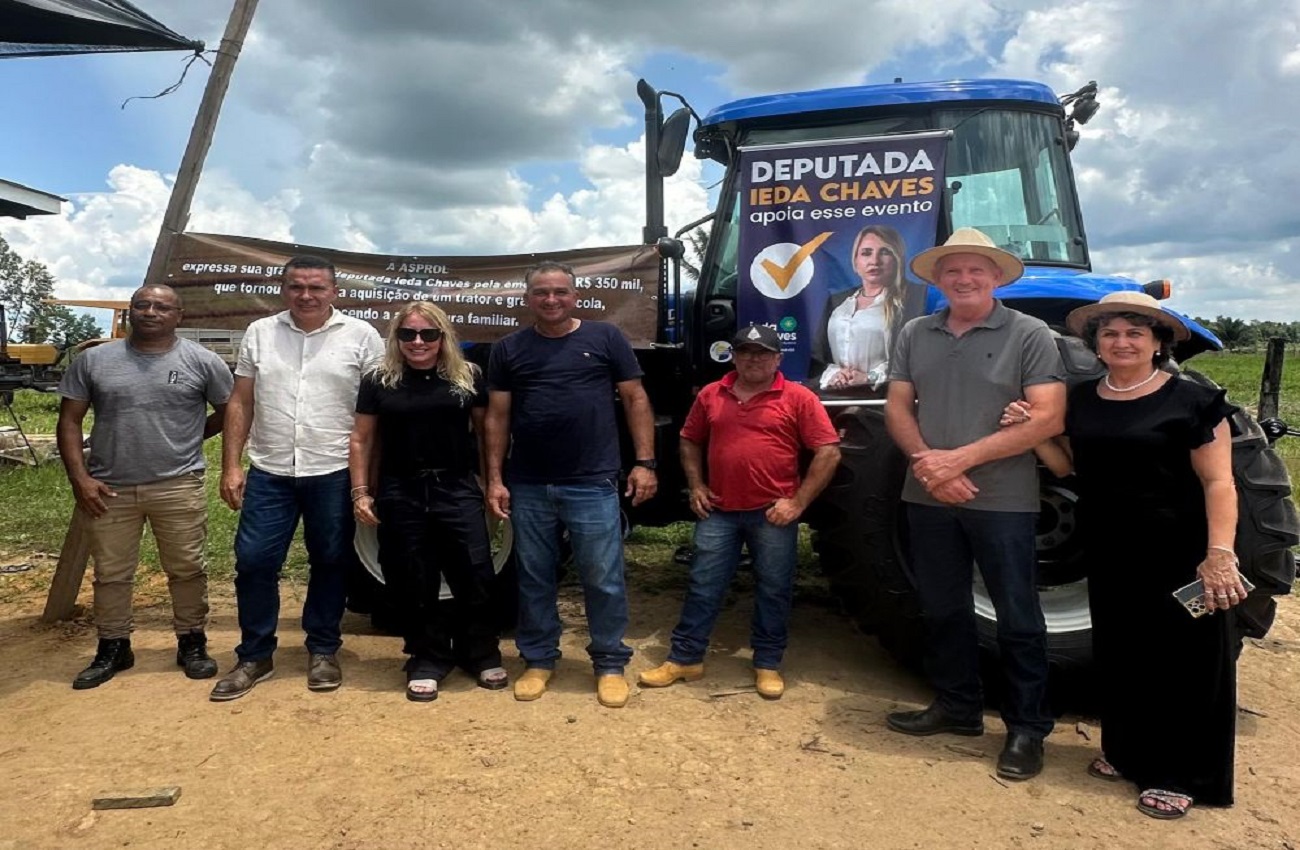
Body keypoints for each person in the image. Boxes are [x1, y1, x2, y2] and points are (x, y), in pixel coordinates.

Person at [1002, 291, 1242, 819]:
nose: (1122, 342)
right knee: (1124, 651)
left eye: (1135, 332)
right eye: (1110, 333)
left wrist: (1220, 554)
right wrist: (1029, 431)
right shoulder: (1083, 398)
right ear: (1096, 345)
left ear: (1158, 343)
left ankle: (1181, 773)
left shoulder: (1193, 402)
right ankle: (1127, 750)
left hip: (1180, 552)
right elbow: (1068, 468)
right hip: (1111, 547)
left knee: (1183, 662)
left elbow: (1219, 482)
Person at [882, 228, 1065, 781]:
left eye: (975, 270)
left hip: (1003, 500)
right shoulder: (915, 332)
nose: (964, 279)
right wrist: (929, 466)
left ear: (996, 277)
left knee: (1018, 615)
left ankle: (1026, 728)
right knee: (942, 607)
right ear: (938, 279)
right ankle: (957, 705)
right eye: (953, 271)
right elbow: (897, 407)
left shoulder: (1029, 333)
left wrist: (955, 462)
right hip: (928, 494)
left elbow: (1048, 418)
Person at [484, 260, 658, 708]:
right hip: (529, 483)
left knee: (603, 578)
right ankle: (539, 659)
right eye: (541, 292)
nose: (551, 299)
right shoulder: (508, 349)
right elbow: (497, 417)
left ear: (575, 296)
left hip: (593, 481)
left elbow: (635, 398)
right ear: (528, 299)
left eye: (560, 291)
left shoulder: (606, 338)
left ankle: (610, 663)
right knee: (534, 578)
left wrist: (645, 463)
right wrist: (496, 478)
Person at [210, 255, 384, 701]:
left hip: (333, 469)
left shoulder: (362, 336)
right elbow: (241, 401)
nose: (306, 295)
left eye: (316, 287)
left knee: (330, 561)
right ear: (283, 289)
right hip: (270, 470)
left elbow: (375, 413)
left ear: (334, 291)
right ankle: (254, 655)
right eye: (296, 287)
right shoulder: (260, 332)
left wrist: (368, 480)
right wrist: (231, 465)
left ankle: (323, 649)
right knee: (254, 561)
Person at [639, 323, 840, 699]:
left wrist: (798, 502)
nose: (753, 359)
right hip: (719, 510)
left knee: (774, 589)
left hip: (773, 514)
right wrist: (696, 486)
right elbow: (689, 440)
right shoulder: (712, 394)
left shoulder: (798, 397)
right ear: (733, 356)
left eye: (763, 353)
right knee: (703, 585)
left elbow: (828, 452)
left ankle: (767, 662)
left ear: (778, 359)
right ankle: (685, 658)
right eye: (746, 351)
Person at [56, 284, 232, 689]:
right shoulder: (94, 361)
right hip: (109, 488)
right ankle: (113, 645)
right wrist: (80, 479)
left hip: (178, 484)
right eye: (142, 305)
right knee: (111, 573)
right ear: (131, 311)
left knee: (187, 568)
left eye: (162, 307)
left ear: (179, 316)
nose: (151, 312)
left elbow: (230, 411)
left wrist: (190, 439)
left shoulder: (202, 361)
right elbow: (69, 421)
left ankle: (192, 641)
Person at [348, 302, 506, 702]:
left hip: (456, 486)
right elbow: (361, 439)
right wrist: (361, 491)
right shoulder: (379, 380)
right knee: (411, 577)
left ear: (443, 337)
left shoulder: (467, 376)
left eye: (428, 334)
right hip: (401, 489)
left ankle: (479, 652)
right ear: (396, 338)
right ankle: (427, 657)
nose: (418, 342)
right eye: (408, 334)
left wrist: (492, 482)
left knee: (474, 573)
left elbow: (486, 432)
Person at [811, 225, 908, 394]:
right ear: (855, 261)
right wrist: (835, 375)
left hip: (883, 397)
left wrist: (869, 377)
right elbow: (820, 358)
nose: (874, 261)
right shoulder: (837, 302)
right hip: (835, 396)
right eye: (866, 253)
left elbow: (912, 359)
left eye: (884, 252)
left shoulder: (910, 301)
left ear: (897, 258)